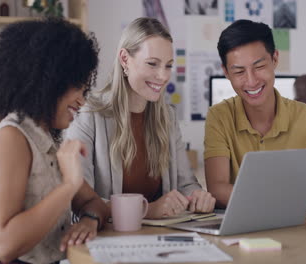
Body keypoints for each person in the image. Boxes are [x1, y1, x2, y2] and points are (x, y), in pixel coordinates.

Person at [0, 18, 109, 264]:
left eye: (84, 89)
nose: (82, 100)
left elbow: (92, 202)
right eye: (76, 87)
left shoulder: (46, 141)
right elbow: (5, 246)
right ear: (47, 81)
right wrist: (68, 185)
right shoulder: (10, 141)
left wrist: (89, 220)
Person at [65, 17, 215, 219]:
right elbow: (79, 200)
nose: (163, 76)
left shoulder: (167, 117)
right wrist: (147, 211)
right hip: (108, 239)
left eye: (168, 66)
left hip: (159, 239)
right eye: (152, 64)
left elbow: (186, 184)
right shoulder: (89, 113)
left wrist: (197, 196)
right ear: (125, 59)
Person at [204, 19, 306, 209]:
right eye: (239, 72)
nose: (251, 81)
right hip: (244, 230)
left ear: (275, 59)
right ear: (226, 72)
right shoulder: (219, 116)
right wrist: (285, 200)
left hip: (300, 230)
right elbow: (217, 188)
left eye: (259, 67)